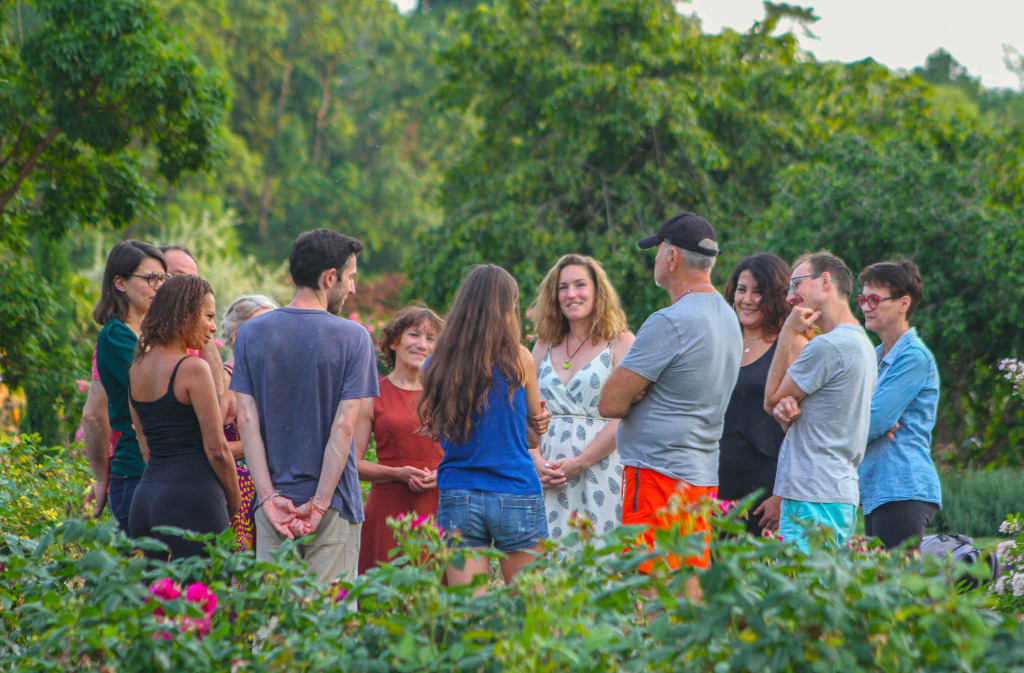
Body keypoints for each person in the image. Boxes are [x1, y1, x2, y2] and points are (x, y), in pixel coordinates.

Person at [597, 213, 741, 601]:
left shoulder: (670, 321)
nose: (656, 258)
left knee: (654, 589)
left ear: (672, 257)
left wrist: (639, 390)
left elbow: (610, 402)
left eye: (658, 250)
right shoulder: (729, 317)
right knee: (688, 586)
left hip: (657, 475)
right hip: (700, 473)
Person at [232, 229, 377, 584]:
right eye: (351, 277)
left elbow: (246, 421)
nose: (353, 288)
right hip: (335, 503)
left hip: (274, 505)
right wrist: (319, 504)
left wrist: (268, 498)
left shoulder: (251, 333)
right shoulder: (354, 338)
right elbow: (344, 426)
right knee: (328, 613)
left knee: (275, 610)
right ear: (330, 277)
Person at [419, 265, 547, 589]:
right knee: (531, 606)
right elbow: (532, 437)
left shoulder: (434, 366)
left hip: (458, 491)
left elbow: (441, 427)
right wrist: (537, 423)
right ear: (506, 308)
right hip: (514, 488)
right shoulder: (519, 359)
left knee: (467, 608)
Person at [764, 250, 877, 551]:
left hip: (812, 496)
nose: (790, 297)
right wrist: (787, 415)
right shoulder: (862, 343)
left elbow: (770, 399)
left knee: (800, 582)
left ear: (826, 281)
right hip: (836, 491)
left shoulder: (828, 346)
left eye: (796, 285)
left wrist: (787, 333)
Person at [128, 275, 241, 559]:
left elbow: (145, 448)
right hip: (192, 500)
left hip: (145, 501)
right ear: (186, 313)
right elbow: (217, 450)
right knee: (211, 582)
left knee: (157, 586)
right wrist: (233, 502)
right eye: (209, 316)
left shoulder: (136, 370)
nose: (213, 327)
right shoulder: (193, 369)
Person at [529, 254, 634, 540]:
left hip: (602, 469)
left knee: (599, 553)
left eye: (580, 285)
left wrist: (581, 462)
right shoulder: (543, 345)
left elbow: (627, 415)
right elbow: (524, 412)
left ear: (598, 292)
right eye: (563, 287)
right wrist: (536, 461)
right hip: (547, 477)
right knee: (549, 556)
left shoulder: (620, 342)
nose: (571, 294)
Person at [856, 260, 941, 549]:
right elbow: (865, 417)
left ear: (904, 303)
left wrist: (872, 419)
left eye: (874, 299)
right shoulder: (875, 356)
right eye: (863, 300)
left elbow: (873, 421)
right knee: (882, 577)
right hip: (878, 490)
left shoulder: (913, 356)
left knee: (897, 578)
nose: (866, 307)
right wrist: (869, 418)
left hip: (903, 488)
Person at [356, 306, 445, 573]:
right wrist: (397, 473)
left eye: (430, 339)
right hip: (388, 510)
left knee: (436, 592)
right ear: (393, 341)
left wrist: (444, 474)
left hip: (440, 506)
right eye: (414, 335)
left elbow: (472, 454)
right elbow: (353, 464)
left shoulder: (448, 395)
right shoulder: (371, 394)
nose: (422, 344)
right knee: (384, 589)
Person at [719, 254, 803, 535]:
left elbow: (806, 427)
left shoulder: (793, 345)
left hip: (766, 484)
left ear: (776, 297)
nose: (747, 300)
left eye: (758, 292)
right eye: (741, 290)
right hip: (714, 479)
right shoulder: (722, 342)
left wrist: (782, 495)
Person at [90, 241, 170, 534]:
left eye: (162, 279)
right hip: (136, 472)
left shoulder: (156, 333)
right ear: (120, 283)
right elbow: (161, 386)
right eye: (150, 278)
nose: (159, 287)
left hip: (163, 470)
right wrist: (101, 478)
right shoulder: (116, 335)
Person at [220, 294, 279, 552]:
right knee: (237, 566)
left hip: (271, 488)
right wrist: (255, 445)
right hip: (236, 490)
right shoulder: (225, 379)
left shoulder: (270, 379)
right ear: (236, 334)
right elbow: (206, 444)